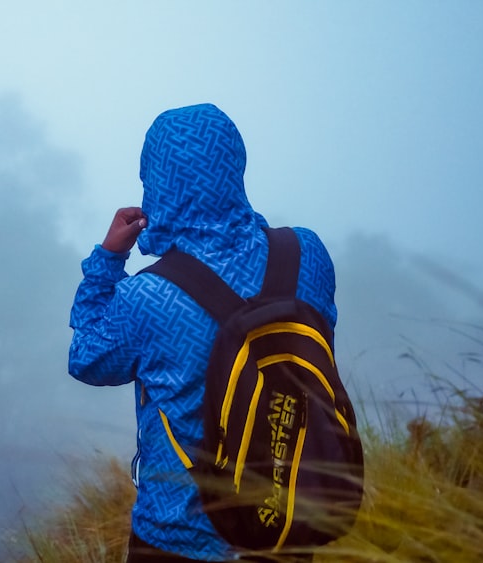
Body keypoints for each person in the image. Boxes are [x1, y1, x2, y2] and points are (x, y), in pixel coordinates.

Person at [67, 103, 337, 562]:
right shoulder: (306, 254)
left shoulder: (147, 296)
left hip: (177, 539)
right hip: (286, 525)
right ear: (235, 166)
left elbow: (86, 358)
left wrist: (107, 261)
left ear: (156, 181)